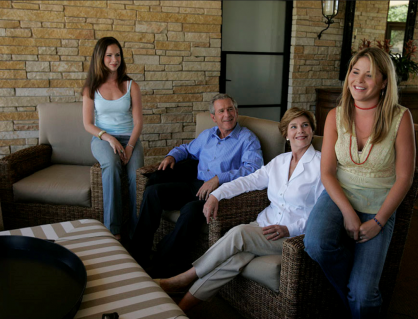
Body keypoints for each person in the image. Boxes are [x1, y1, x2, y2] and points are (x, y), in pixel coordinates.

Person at [156, 107, 325, 312]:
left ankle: (185, 278)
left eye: (305, 125)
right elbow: (248, 181)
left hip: (290, 236)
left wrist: (291, 229)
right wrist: (217, 194)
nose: (300, 131)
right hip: (264, 225)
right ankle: (181, 309)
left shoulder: (321, 165)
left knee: (238, 233)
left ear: (313, 130)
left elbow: (323, 215)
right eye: (294, 126)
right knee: (234, 261)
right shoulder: (280, 162)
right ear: (286, 134)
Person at [303, 47, 415, 319]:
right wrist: (348, 213)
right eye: (355, 72)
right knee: (315, 243)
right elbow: (327, 172)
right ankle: (352, 289)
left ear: (384, 82)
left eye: (370, 75)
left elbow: (405, 178)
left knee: (365, 296)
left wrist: (378, 221)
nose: (359, 81)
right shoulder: (335, 115)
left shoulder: (401, 118)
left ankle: (359, 296)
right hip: (339, 195)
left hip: (380, 204)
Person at [130, 93, 264, 277]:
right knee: (153, 192)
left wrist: (219, 178)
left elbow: (254, 170)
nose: (227, 115)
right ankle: (138, 253)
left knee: (190, 211)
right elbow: (186, 149)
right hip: (195, 185)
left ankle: (160, 260)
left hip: (220, 193)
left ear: (236, 111)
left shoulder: (247, 139)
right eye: (221, 111)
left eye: (230, 109)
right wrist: (171, 156)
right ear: (213, 117)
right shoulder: (207, 135)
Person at [82, 37, 144, 240]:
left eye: (117, 55)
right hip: (102, 139)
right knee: (111, 164)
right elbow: (88, 124)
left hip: (130, 138)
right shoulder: (91, 88)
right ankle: (113, 230)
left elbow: (138, 123)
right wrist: (109, 138)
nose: (114, 59)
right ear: (100, 57)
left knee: (137, 176)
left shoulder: (131, 85)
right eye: (109, 55)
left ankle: (137, 233)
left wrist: (130, 147)